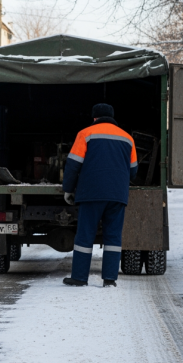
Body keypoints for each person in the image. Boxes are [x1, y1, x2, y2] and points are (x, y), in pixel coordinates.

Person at [62, 103, 138, 287]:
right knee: (113, 237)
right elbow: (133, 171)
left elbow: (73, 165)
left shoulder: (85, 134)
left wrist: (68, 189)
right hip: (117, 195)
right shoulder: (128, 139)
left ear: (94, 117)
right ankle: (110, 279)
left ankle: (79, 278)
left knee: (85, 235)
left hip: (91, 193)